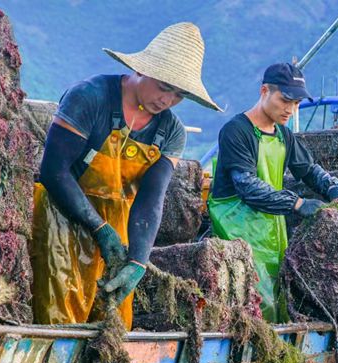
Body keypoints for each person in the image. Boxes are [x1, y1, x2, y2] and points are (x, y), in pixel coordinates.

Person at [31, 23, 221, 328]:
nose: (167, 100)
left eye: (178, 95)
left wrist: (138, 260)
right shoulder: (90, 97)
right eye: (163, 87)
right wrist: (97, 227)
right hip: (61, 215)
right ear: (143, 70)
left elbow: (151, 199)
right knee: (58, 316)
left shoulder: (170, 132)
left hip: (117, 225)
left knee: (112, 323)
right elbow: (53, 171)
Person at [208, 63, 338, 322]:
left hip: (273, 234)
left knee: (280, 305)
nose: (291, 109)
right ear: (265, 90)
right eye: (286, 100)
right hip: (236, 231)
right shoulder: (236, 131)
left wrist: (334, 187)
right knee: (256, 306)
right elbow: (248, 187)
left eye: (296, 103)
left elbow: (308, 169)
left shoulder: (283, 135)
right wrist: (297, 203)